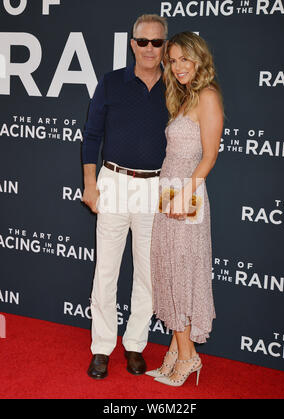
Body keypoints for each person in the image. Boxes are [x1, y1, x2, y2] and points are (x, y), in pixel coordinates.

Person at [81, 14, 168, 379]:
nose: (150, 49)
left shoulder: (177, 87)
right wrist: (89, 184)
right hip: (113, 181)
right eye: (143, 41)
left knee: (147, 274)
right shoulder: (111, 82)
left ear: (165, 46)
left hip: (155, 187)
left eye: (157, 42)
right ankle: (102, 348)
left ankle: (135, 345)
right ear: (133, 44)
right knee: (106, 271)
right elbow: (91, 136)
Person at [146, 32, 224, 387]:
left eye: (183, 59)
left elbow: (209, 156)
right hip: (169, 193)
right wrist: (168, 196)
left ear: (199, 59)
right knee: (169, 275)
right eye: (172, 60)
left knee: (182, 277)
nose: (177, 66)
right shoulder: (182, 96)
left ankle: (189, 356)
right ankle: (178, 351)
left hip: (187, 196)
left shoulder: (207, 96)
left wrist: (182, 196)